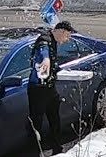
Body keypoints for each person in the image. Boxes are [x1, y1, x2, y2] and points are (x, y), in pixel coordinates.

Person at [28, 21, 76, 156]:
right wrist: (46, 60)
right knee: (36, 120)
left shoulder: (53, 41)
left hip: (49, 87)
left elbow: (52, 62)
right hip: (38, 88)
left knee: (54, 117)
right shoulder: (45, 40)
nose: (66, 40)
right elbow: (44, 53)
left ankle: (57, 147)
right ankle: (35, 150)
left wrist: (61, 69)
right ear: (61, 32)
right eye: (67, 36)